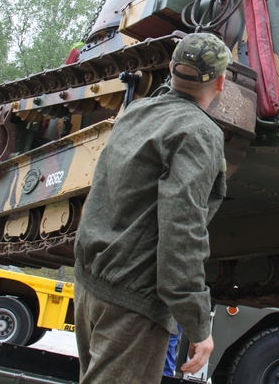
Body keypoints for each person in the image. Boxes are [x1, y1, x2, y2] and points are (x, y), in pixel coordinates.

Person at [73, 32, 232, 384]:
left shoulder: (139, 110)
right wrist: (197, 322)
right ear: (221, 82)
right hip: (131, 301)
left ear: (172, 69)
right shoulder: (197, 133)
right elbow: (182, 230)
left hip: (90, 283)